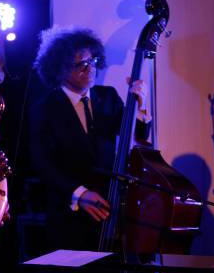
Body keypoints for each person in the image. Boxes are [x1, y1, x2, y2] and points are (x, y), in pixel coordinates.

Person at [30, 26, 151, 251]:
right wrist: (81, 194)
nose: (90, 68)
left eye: (92, 61)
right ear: (59, 69)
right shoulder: (45, 109)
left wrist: (141, 106)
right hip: (70, 215)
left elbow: (140, 137)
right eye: (80, 64)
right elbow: (42, 163)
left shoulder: (108, 97)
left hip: (110, 208)